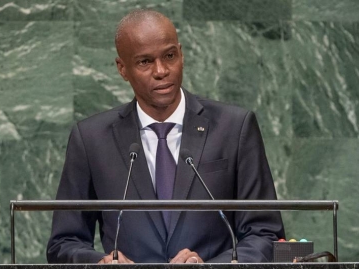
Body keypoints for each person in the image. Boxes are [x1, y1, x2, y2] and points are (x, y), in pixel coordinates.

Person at [46, 9, 284, 264]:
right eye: (145, 62)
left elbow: (265, 234)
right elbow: (64, 243)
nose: (161, 70)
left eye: (169, 56)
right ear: (122, 69)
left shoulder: (234, 128)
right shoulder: (91, 139)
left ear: (181, 54)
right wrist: (100, 263)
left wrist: (210, 266)